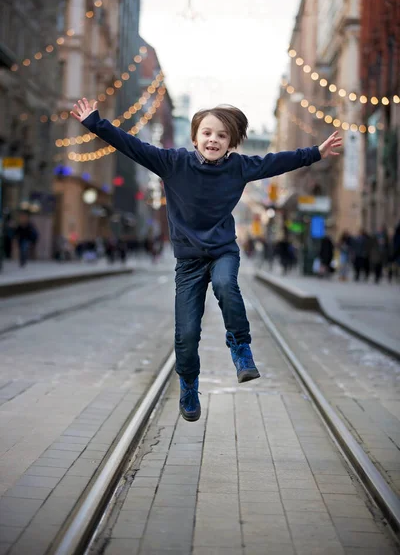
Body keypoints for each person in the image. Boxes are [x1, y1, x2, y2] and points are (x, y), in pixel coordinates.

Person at [71, 98, 342, 422]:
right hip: (188, 262)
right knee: (186, 334)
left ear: (231, 142)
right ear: (195, 136)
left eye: (222, 136)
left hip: (223, 250)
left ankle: (241, 350)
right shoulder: (172, 162)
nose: (214, 140)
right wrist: (94, 122)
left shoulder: (238, 167)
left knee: (227, 284)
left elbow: (276, 162)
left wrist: (317, 152)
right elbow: (130, 145)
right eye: (207, 133)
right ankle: (188, 386)